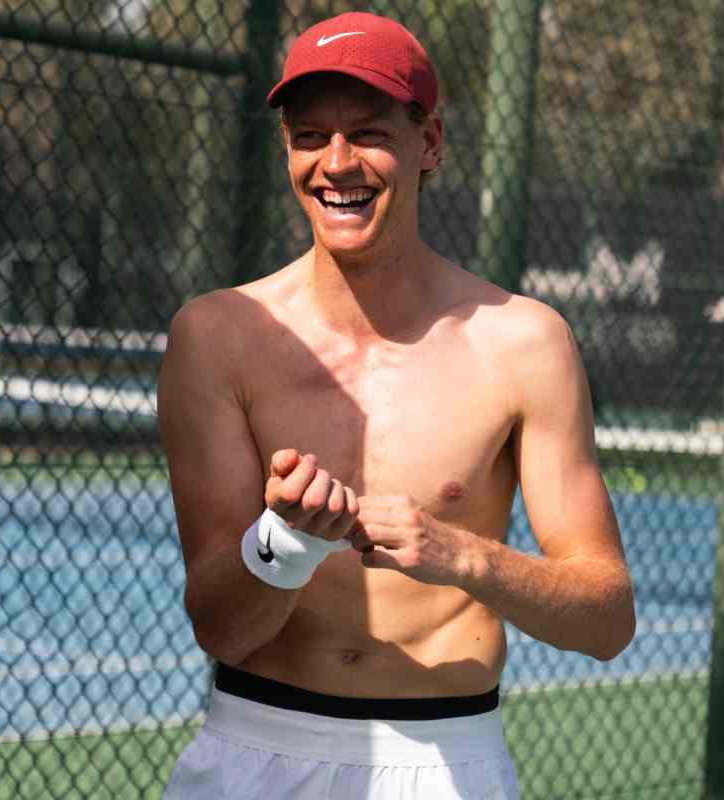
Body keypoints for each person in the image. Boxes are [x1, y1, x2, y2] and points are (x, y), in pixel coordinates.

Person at [157, 11, 635, 799]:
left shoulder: (526, 342)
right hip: (255, 748)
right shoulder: (216, 336)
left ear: (430, 143)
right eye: (311, 136)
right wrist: (285, 541)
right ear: (287, 149)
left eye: (369, 134)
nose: (336, 163)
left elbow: (608, 620)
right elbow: (222, 629)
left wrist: (464, 557)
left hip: (446, 764)